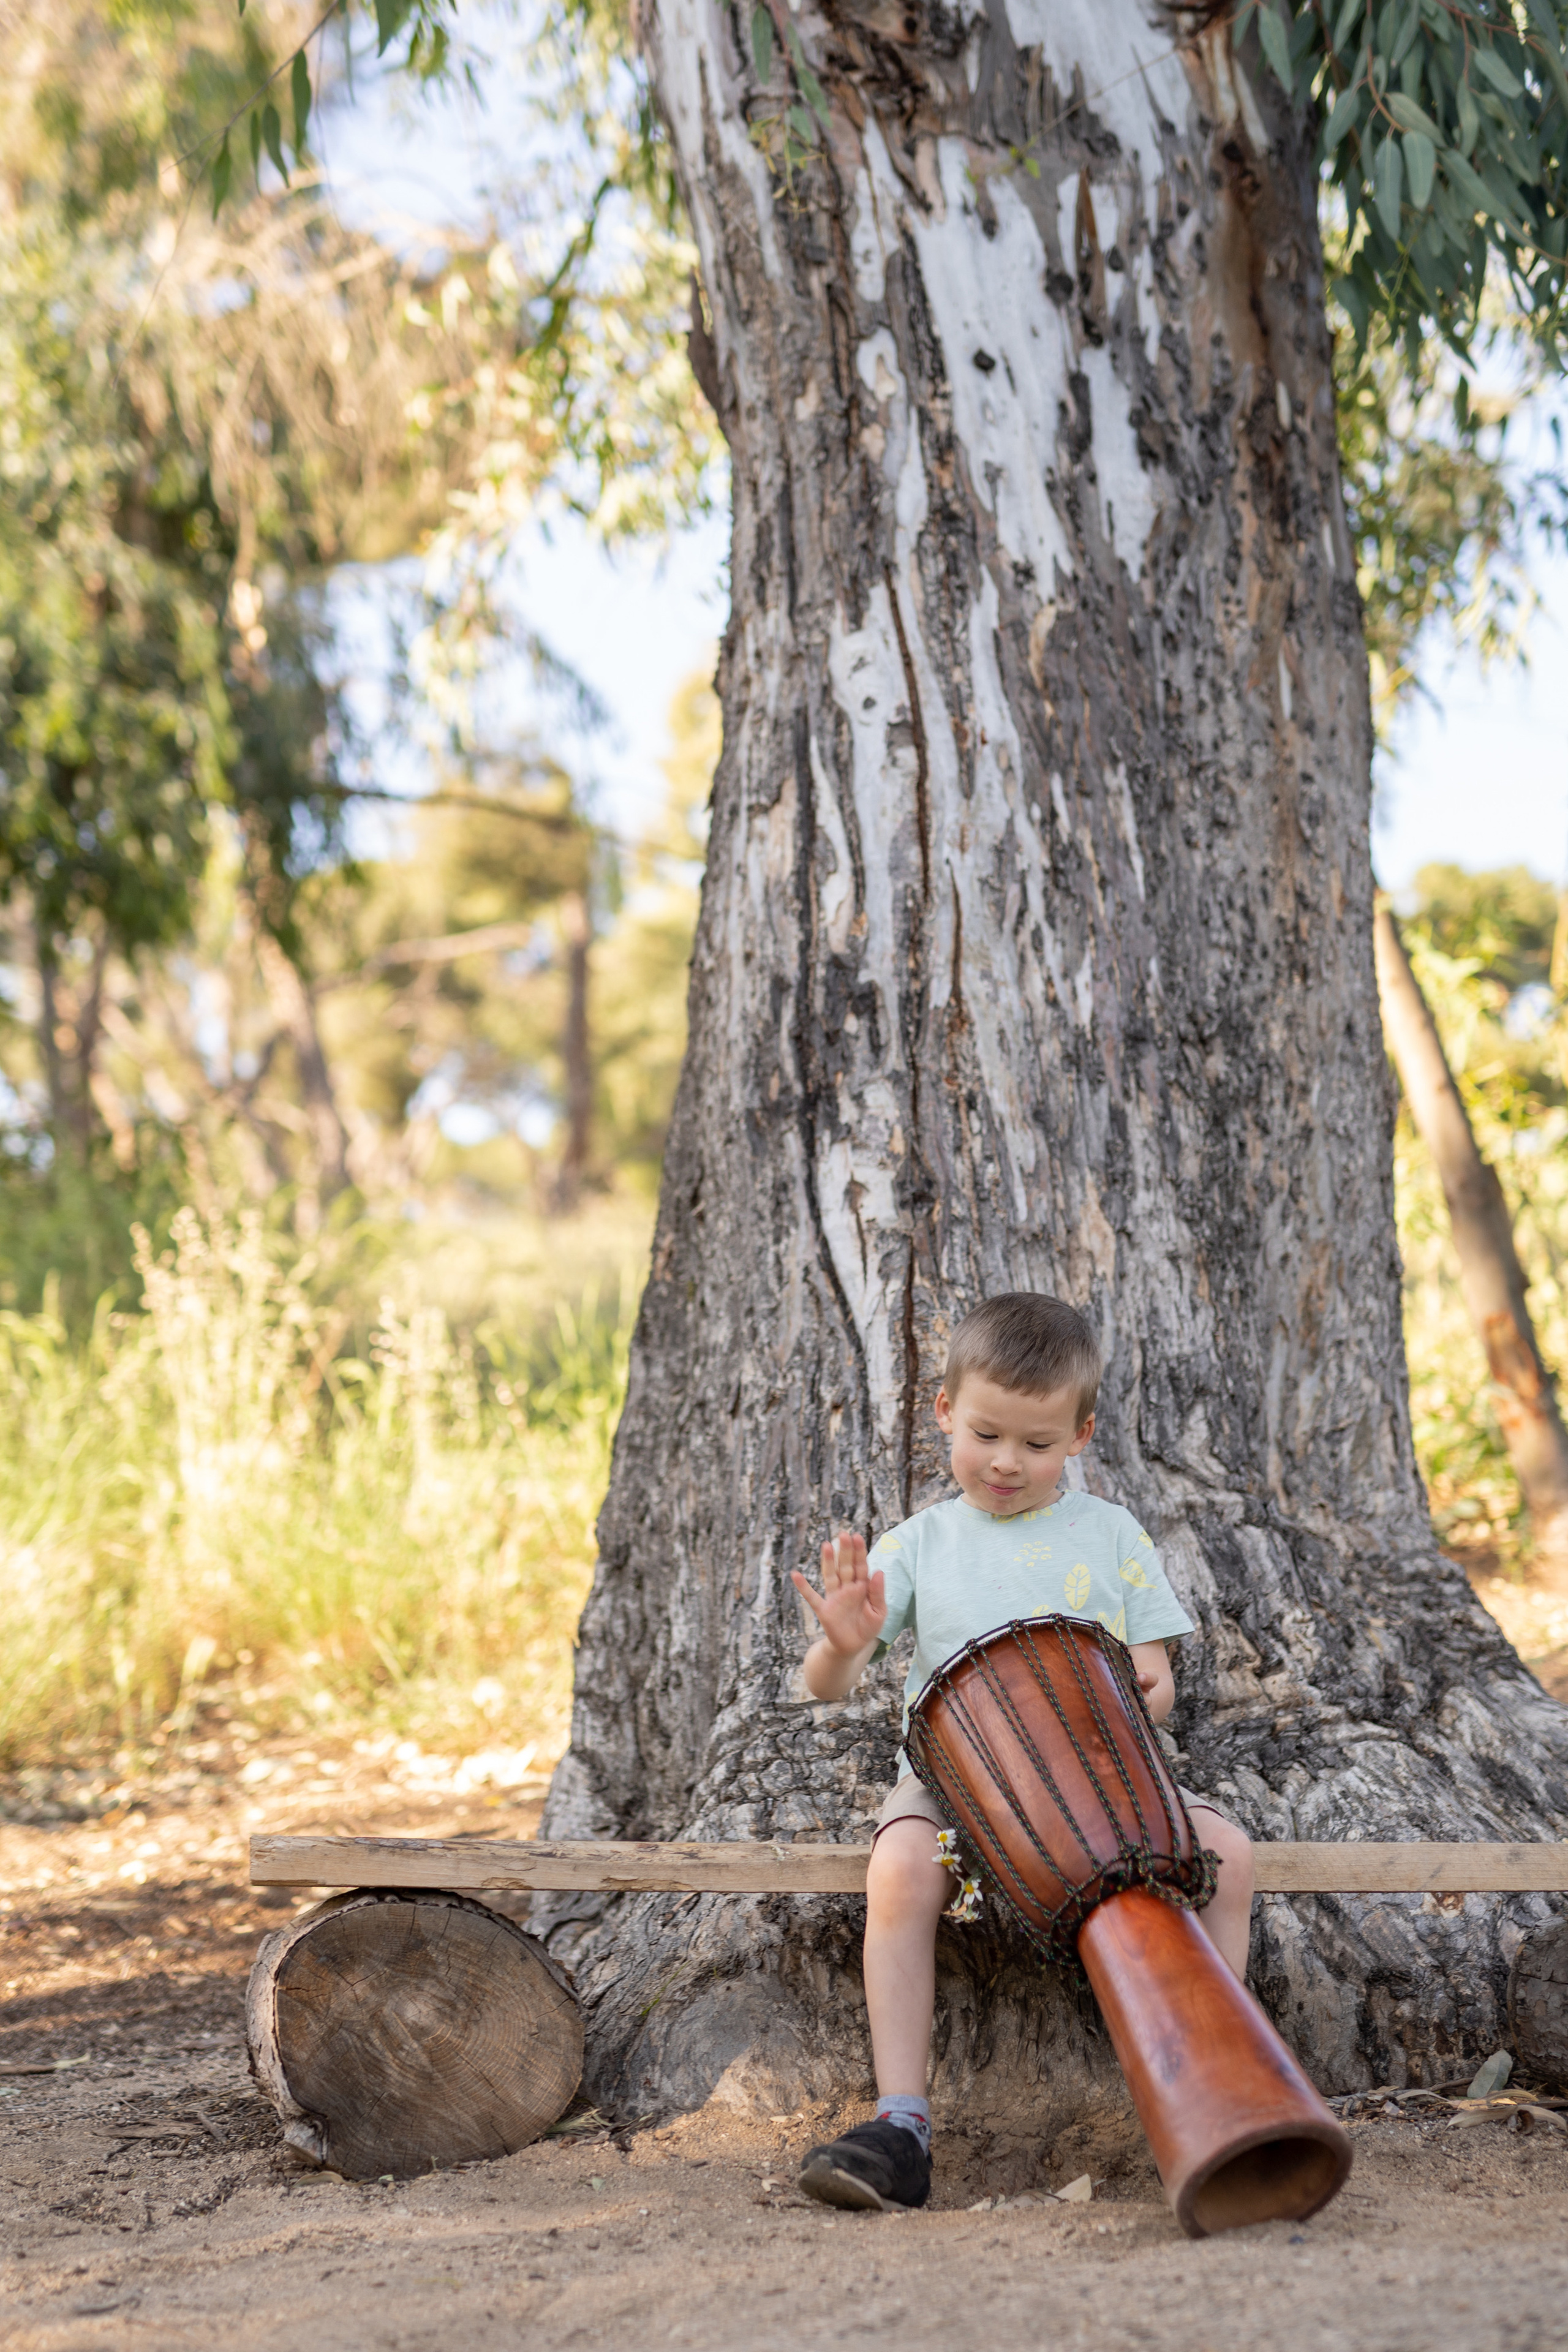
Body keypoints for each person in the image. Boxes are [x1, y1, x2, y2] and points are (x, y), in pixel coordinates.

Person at [788, 1292, 1254, 2213]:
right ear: (945, 1414)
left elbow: (1156, 1688)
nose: (1008, 1463)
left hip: (1106, 1790)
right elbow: (825, 1689)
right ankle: (902, 2125)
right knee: (900, 1871)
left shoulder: (1113, 1535)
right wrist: (842, 1645)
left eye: (1037, 1446)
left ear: (1080, 1436)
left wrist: (1144, 1690)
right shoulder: (920, 1544)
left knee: (1230, 1855)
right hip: (954, 1794)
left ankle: (1214, 2087)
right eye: (988, 1434)